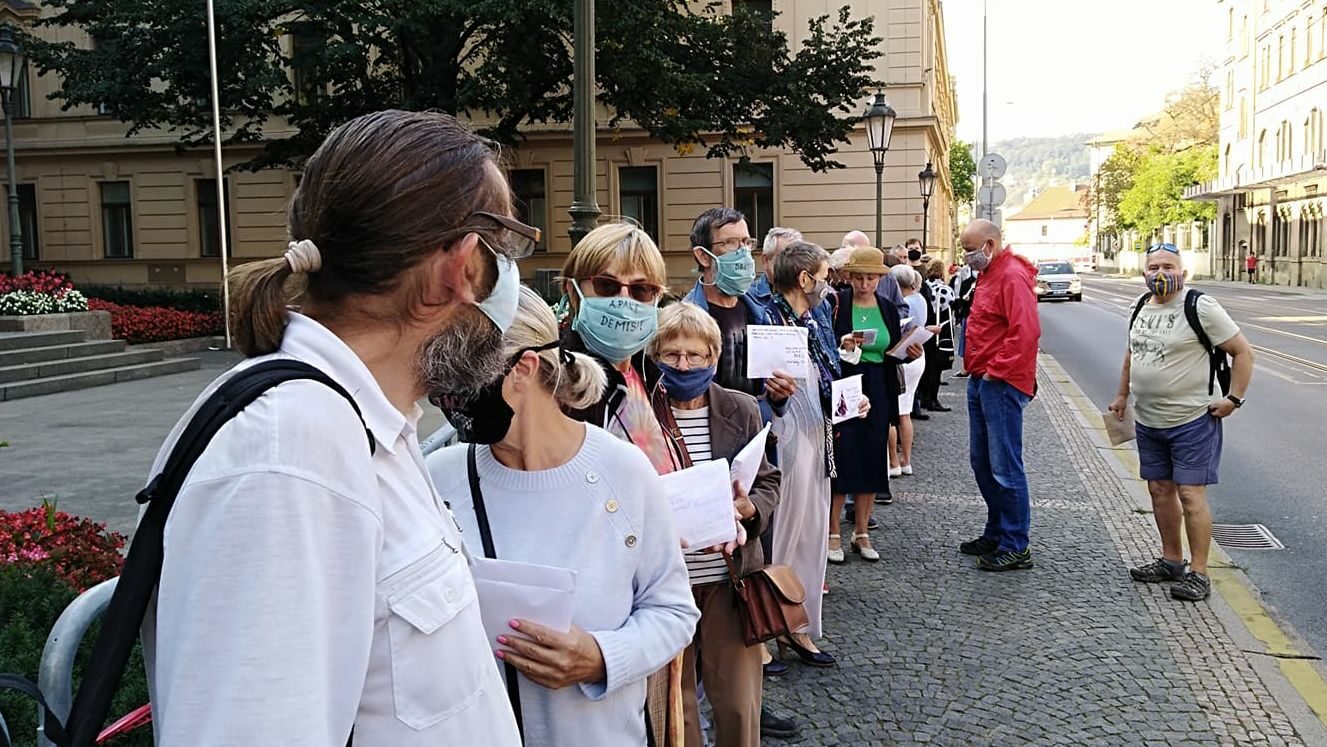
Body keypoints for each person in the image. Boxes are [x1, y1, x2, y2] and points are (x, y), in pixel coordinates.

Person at [139, 110, 529, 744]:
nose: (514, 277)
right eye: (507, 247)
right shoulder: (290, 457)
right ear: (458, 267)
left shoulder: (361, 424)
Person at [428, 286, 700, 745]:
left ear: (524, 369)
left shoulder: (623, 471)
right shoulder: (437, 478)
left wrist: (601, 658)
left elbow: (673, 609)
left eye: (461, 375)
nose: (445, 396)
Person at [646, 303, 783, 747]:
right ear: (655, 356)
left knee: (739, 707)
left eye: (695, 355)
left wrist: (747, 509)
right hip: (666, 585)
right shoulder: (639, 415)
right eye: (672, 355)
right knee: (676, 709)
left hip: (730, 581)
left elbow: (768, 481)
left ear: (714, 357)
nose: (684, 365)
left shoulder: (742, 409)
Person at [1108, 243, 1255, 602]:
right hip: (1149, 418)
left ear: (1183, 273)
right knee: (1159, 491)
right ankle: (1171, 560)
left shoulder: (1200, 306)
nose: (1160, 273)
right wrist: (1123, 395)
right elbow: (1133, 352)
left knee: (1191, 495)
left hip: (1192, 419)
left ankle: (1199, 572)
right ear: (1144, 273)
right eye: (1154, 266)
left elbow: (1243, 352)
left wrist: (1234, 399)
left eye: (1168, 266)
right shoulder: (1139, 306)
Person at [761, 240, 868, 668]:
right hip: (784, 435)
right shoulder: (767, 317)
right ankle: (769, 630)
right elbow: (763, 386)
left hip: (819, 429)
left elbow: (830, 372)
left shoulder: (819, 315)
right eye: (824, 277)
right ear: (804, 279)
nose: (830, 285)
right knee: (782, 535)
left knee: (810, 533)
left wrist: (851, 402)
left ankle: (799, 626)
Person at [957, 219, 1041, 572]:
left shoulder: (1010, 275)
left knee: (1005, 466)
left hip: (1000, 381)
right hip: (984, 377)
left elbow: (1026, 330)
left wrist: (997, 369)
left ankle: (1015, 544)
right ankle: (997, 531)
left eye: (970, 250)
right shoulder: (991, 273)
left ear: (990, 244)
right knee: (984, 462)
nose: (967, 258)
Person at [827, 247, 911, 564]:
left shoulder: (887, 307)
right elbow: (824, 344)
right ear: (849, 277)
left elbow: (891, 349)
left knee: (874, 456)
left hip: (877, 382)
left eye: (871, 278)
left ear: (879, 278)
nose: (864, 284)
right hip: (846, 381)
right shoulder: (837, 303)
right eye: (859, 277)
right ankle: (833, 530)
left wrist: (908, 350)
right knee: (843, 454)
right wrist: (842, 344)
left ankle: (861, 531)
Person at [683, 208, 795, 424]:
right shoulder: (687, 318)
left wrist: (780, 394)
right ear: (703, 256)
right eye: (731, 243)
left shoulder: (763, 313)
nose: (743, 252)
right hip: (708, 435)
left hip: (757, 434)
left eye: (746, 242)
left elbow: (776, 400)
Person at [887, 265, 931, 477]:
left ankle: (893, 462)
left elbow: (901, 329)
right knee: (905, 411)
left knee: (894, 413)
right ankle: (906, 460)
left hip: (905, 356)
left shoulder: (905, 303)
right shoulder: (920, 298)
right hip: (917, 357)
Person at [917, 258, 956, 412]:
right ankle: (932, 399)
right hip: (940, 332)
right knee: (935, 369)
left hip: (926, 330)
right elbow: (951, 306)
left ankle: (924, 397)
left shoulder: (925, 287)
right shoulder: (944, 290)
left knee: (927, 368)